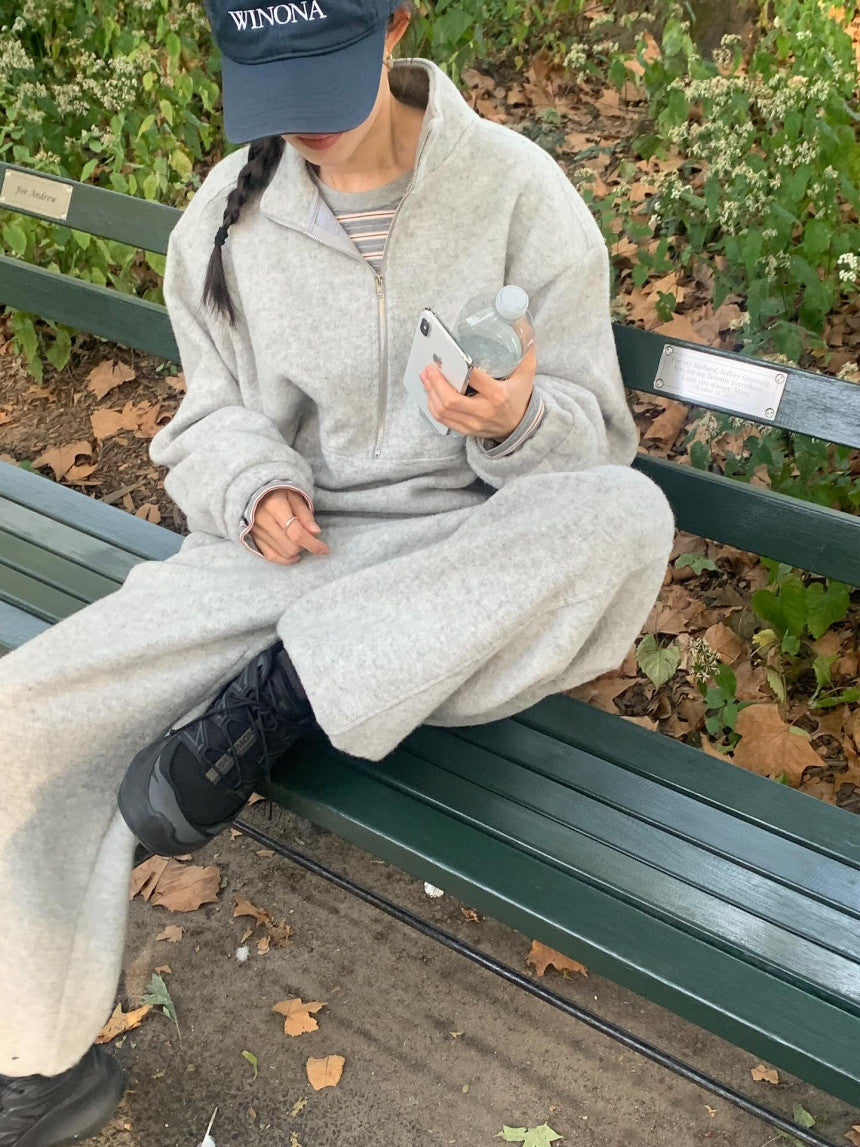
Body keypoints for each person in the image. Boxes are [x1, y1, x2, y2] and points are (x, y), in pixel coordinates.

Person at [0, 0, 676, 1139]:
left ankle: (283, 697)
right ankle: (34, 1063)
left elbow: (594, 445)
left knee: (628, 515)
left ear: (396, 21)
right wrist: (253, 483)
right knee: (23, 713)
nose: (300, 121)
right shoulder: (224, 213)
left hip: (458, 579)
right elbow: (204, 417)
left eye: (321, 74)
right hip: (289, 559)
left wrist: (513, 421)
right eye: (272, 86)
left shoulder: (518, 192)